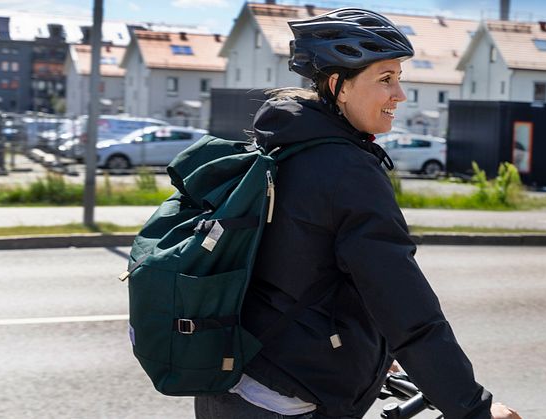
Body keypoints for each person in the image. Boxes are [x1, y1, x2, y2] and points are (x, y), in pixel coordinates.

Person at [194, 8, 522, 419]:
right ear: (338, 86)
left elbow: (296, 272)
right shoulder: (347, 171)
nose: (399, 95)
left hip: (232, 385)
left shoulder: (280, 148)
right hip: (287, 404)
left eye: (399, 78)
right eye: (385, 79)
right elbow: (407, 309)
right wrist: (473, 409)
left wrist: (370, 353)